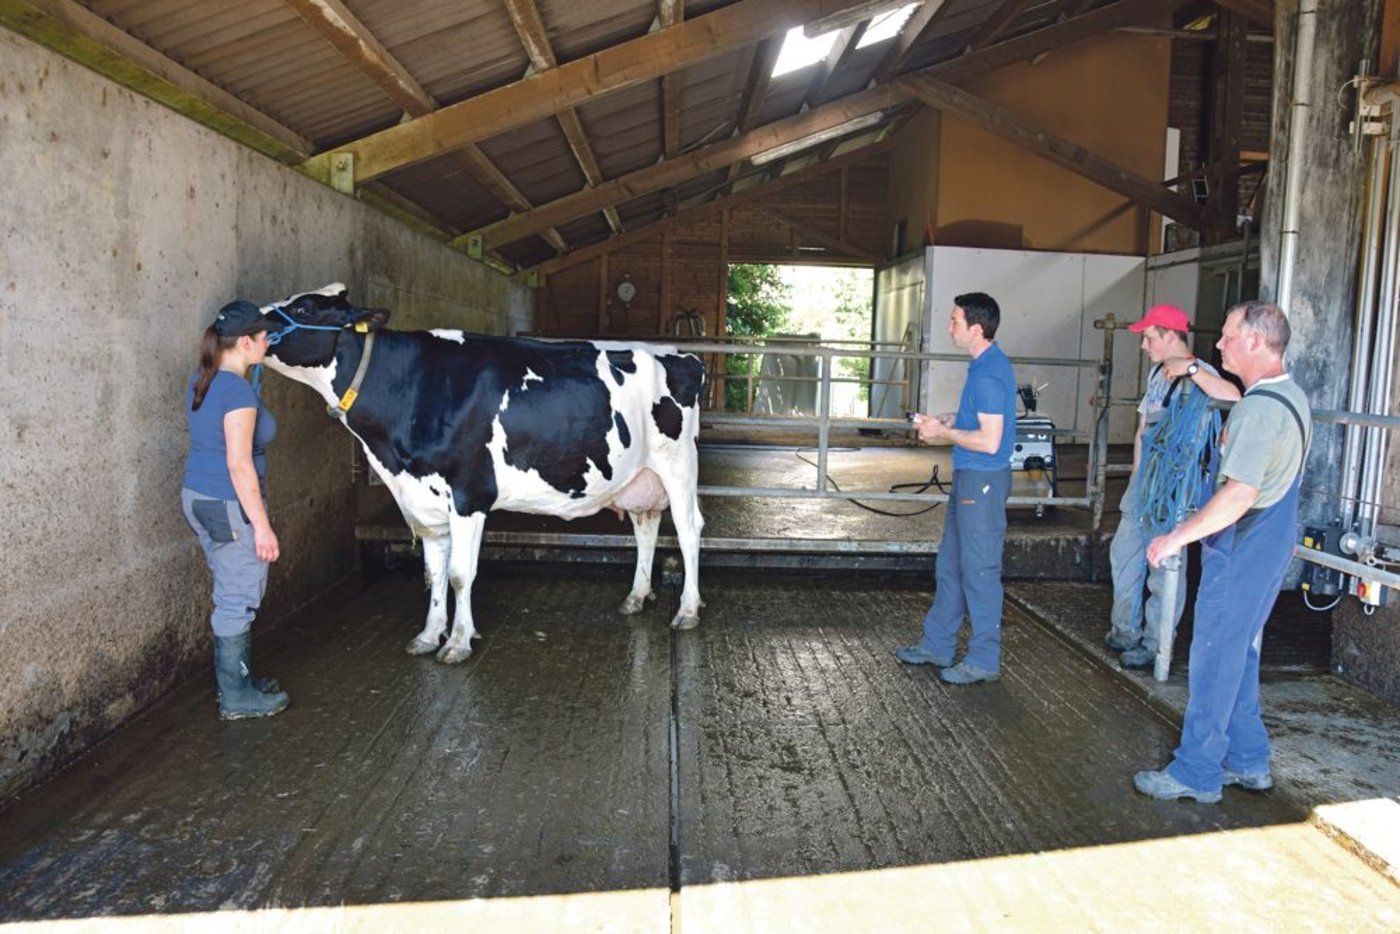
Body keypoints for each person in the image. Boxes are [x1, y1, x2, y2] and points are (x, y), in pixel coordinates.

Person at [1134, 301, 1310, 802]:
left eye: (1229, 335)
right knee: (1239, 655)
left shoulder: (1257, 409)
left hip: (1244, 546)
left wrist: (1177, 537)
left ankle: (1197, 772)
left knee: (1213, 659)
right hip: (1269, 543)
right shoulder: (1291, 396)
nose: (1218, 344)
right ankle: (1249, 760)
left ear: (1255, 341)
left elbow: (1239, 494)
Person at [1106, 304, 1240, 669]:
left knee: (1164, 567)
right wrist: (1136, 478)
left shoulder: (1203, 373)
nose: (1144, 345)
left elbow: (1235, 399)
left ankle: (1155, 644)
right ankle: (1124, 632)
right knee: (1124, 555)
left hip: (1174, 488)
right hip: (1144, 485)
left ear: (1169, 334)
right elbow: (1142, 431)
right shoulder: (1156, 376)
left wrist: (1192, 370)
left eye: (1149, 337)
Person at [895, 292, 1017, 685]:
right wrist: (950, 418)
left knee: (979, 571)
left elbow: (990, 441)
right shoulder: (982, 365)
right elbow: (980, 422)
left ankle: (983, 659)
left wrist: (942, 432)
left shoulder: (989, 374)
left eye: (954, 321)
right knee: (950, 565)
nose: (949, 327)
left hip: (982, 480)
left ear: (976, 329)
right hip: (969, 477)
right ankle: (938, 644)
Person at [181, 300, 291, 720]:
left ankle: (240, 681)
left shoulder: (205, 378)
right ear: (246, 342)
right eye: (264, 338)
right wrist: (261, 527)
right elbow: (238, 463)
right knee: (237, 595)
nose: (269, 343)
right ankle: (236, 699)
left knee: (233, 585)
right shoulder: (235, 391)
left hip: (200, 495)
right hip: (228, 503)